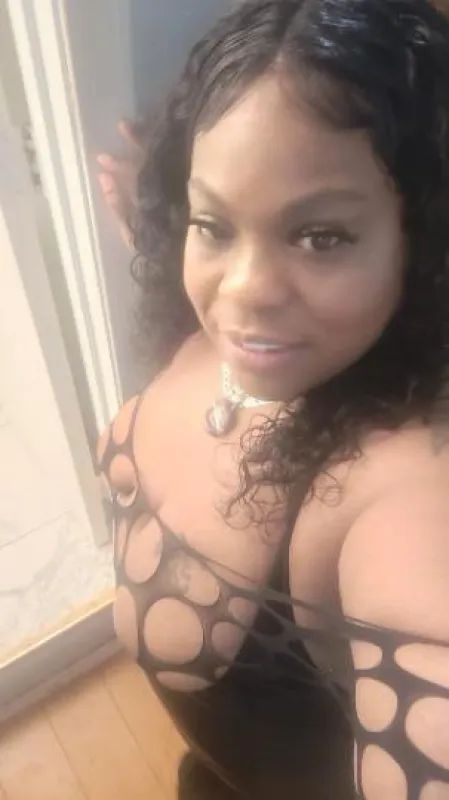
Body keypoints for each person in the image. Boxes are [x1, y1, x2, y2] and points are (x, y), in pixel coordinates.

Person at [97, 1, 449, 797]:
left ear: (423, 242)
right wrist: (160, 232)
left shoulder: (405, 494)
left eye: (321, 236)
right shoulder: (253, 335)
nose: (243, 293)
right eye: (213, 224)